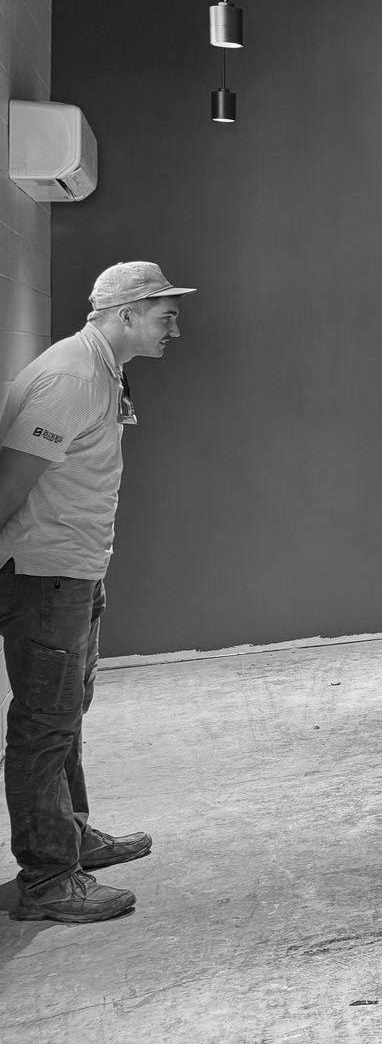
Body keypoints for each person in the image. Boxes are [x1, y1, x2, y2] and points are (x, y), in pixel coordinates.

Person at [0, 261, 192, 924]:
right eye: (165, 312)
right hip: (44, 574)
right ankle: (47, 878)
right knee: (42, 726)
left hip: (74, 570)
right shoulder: (70, 377)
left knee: (64, 717)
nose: (175, 324)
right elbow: (9, 486)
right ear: (127, 311)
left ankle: (69, 835)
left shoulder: (102, 368)